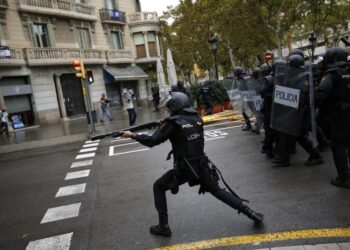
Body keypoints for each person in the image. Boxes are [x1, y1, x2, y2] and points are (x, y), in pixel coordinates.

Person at [121, 92, 264, 237]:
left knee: (158, 186)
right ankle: (251, 213)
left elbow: (152, 141)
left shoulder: (173, 123)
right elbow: (183, 129)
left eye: (170, 109)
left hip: (185, 168)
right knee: (218, 191)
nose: (169, 111)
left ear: (176, 107)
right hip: (202, 165)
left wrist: (133, 135)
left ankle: (163, 227)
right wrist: (166, 122)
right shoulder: (196, 118)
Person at [315, 47, 350, 189]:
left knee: (339, 146)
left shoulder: (331, 75)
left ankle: (344, 178)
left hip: (339, 116)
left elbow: (321, 94)